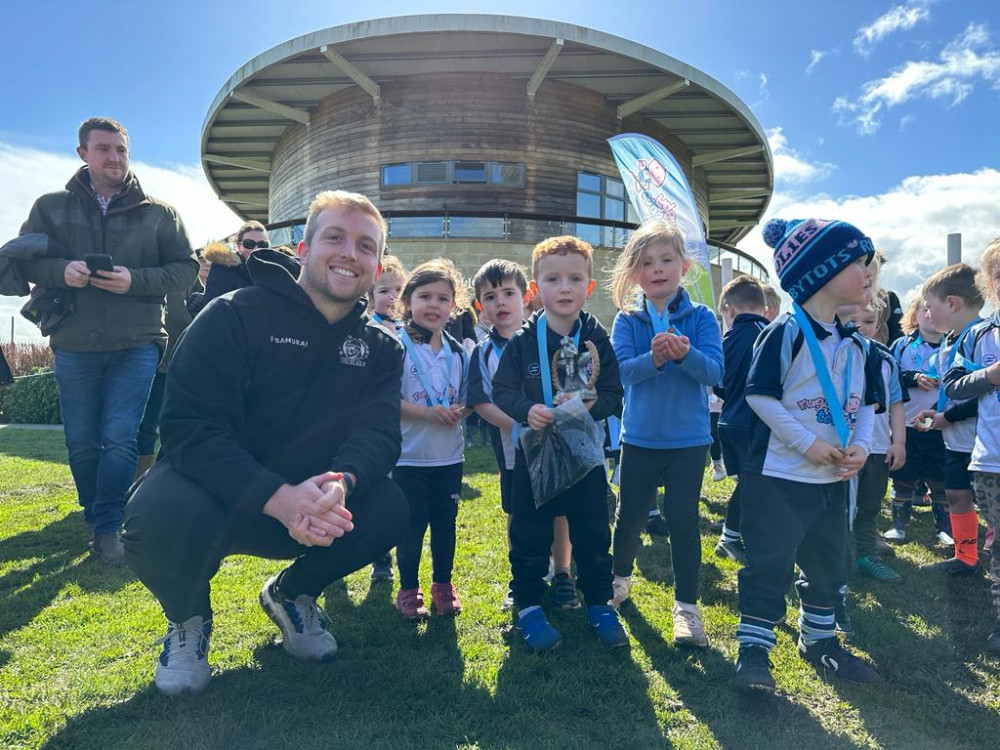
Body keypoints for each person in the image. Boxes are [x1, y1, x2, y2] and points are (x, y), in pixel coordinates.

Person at [121, 190, 407, 696]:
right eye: (335, 238)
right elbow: (191, 429)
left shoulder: (381, 346)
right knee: (153, 516)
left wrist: (341, 483)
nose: (349, 254)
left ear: (377, 263)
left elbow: (378, 433)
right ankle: (188, 619)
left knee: (389, 504)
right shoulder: (234, 314)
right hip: (216, 498)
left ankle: (292, 594)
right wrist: (278, 498)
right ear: (303, 248)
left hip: (312, 510)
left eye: (366, 246)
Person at [14, 117, 197, 565]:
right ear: (83, 154)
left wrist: (134, 279)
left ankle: (108, 526)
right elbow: (24, 260)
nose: (114, 157)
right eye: (103, 149)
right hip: (74, 341)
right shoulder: (51, 207)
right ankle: (96, 512)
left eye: (121, 149)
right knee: (80, 440)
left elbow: (185, 269)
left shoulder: (160, 212)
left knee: (120, 437)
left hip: (137, 340)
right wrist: (62, 272)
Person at [733, 217, 882, 690]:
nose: (868, 273)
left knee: (829, 564)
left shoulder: (858, 345)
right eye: (860, 263)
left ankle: (819, 641)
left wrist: (858, 446)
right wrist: (809, 443)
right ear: (822, 270)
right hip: (779, 476)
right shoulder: (785, 333)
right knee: (768, 562)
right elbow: (759, 396)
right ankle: (754, 650)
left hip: (832, 481)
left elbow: (868, 407)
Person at [492, 235, 628, 652]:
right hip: (535, 458)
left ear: (589, 287)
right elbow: (502, 391)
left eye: (574, 278)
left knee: (591, 532)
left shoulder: (596, 339)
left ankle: (600, 604)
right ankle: (529, 606)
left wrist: (589, 407)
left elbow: (614, 395)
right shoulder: (521, 342)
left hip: (585, 458)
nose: (564, 287)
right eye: (553, 279)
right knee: (530, 534)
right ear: (536, 290)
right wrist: (527, 409)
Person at [606, 221, 723, 648]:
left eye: (666, 260)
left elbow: (715, 372)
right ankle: (619, 580)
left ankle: (687, 608)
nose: (657, 269)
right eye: (647, 262)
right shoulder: (628, 319)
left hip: (689, 441)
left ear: (685, 266)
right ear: (635, 273)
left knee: (683, 519)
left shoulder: (702, 317)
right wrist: (653, 360)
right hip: (638, 438)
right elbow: (620, 374)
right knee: (631, 515)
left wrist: (686, 354)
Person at [393, 259, 471, 620]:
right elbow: (385, 400)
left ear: (454, 306)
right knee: (410, 527)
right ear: (407, 301)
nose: (434, 305)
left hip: (449, 457)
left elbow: (473, 397)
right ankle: (408, 590)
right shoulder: (396, 346)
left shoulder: (459, 351)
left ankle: (443, 585)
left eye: (443, 298)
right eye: (424, 296)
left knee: (445, 525)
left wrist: (462, 410)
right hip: (408, 458)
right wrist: (426, 413)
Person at [943, 237, 1000, 652]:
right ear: (989, 284)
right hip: (992, 461)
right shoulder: (979, 335)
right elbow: (954, 386)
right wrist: (990, 376)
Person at [914, 264, 984, 576]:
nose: (926, 314)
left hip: (983, 441)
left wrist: (947, 417)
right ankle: (965, 556)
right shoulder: (949, 341)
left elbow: (985, 398)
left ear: (952, 303)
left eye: (929, 307)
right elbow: (954, 391)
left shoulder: (983, 339)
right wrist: (937, 413)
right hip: (956, 438)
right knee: (956, 493)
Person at [844, 300, 906, 582]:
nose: (859, 326)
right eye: (853, 320)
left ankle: (867, 556)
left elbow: (896, 405)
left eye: (868, 321)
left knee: (869, 506)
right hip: (843, 449)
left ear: (879, 327)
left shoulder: (886, 360)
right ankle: (837, 557)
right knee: (841, 508)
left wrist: (899, 443)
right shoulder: (836, 354)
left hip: (879, 448)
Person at [713, 275, 770, 566]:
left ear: (729, 310)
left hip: (728, 422)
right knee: (754, 485)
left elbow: (719, 384)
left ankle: (735, 530)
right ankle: (731, 537)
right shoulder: (768, 334)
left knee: (747, 483)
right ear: (765, 308)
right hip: (755, 424)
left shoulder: (727, 338)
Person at [886, 297, 950, 544]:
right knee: (904, 476)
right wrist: (913, 377)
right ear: (914, 317)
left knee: (940, 479)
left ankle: (943, 528)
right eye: (925, 309)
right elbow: (889, 376)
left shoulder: (953, 345)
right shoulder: (902, 345)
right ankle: (899, 526)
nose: (931, 314)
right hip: (907, 426)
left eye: (937, 308)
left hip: (942, 425)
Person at [365, 252, 407, 582]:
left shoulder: (412, 331)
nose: (392, 298)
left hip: (406, 426)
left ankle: (384, 557)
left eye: (397, 291)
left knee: (393, 492)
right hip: (371, 424)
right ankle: (376, 556)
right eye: (384, 292)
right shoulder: (366, 330)